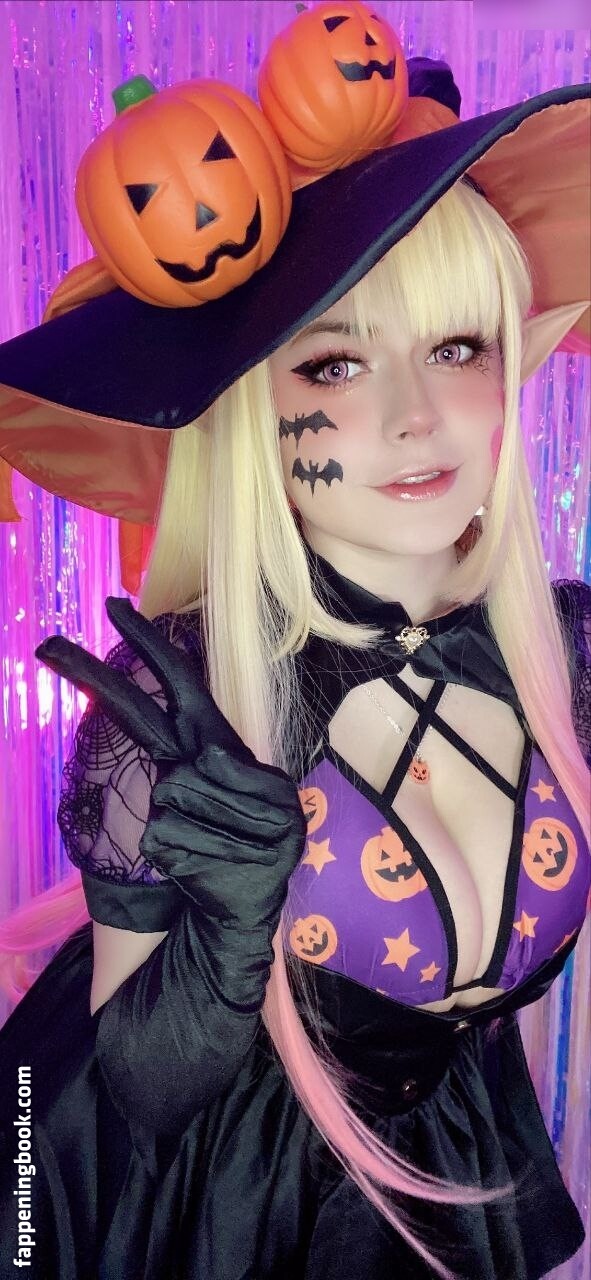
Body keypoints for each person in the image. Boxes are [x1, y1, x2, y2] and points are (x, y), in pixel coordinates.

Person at [0, 6, 589, 1278]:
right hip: (225, 1211)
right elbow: (142, 1095)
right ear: (251, 416)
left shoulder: (566, 654)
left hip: (457, 1178)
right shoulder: (175, 710)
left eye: (454, 346)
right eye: (332, 367)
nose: (415, 417)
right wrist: (227, 928)